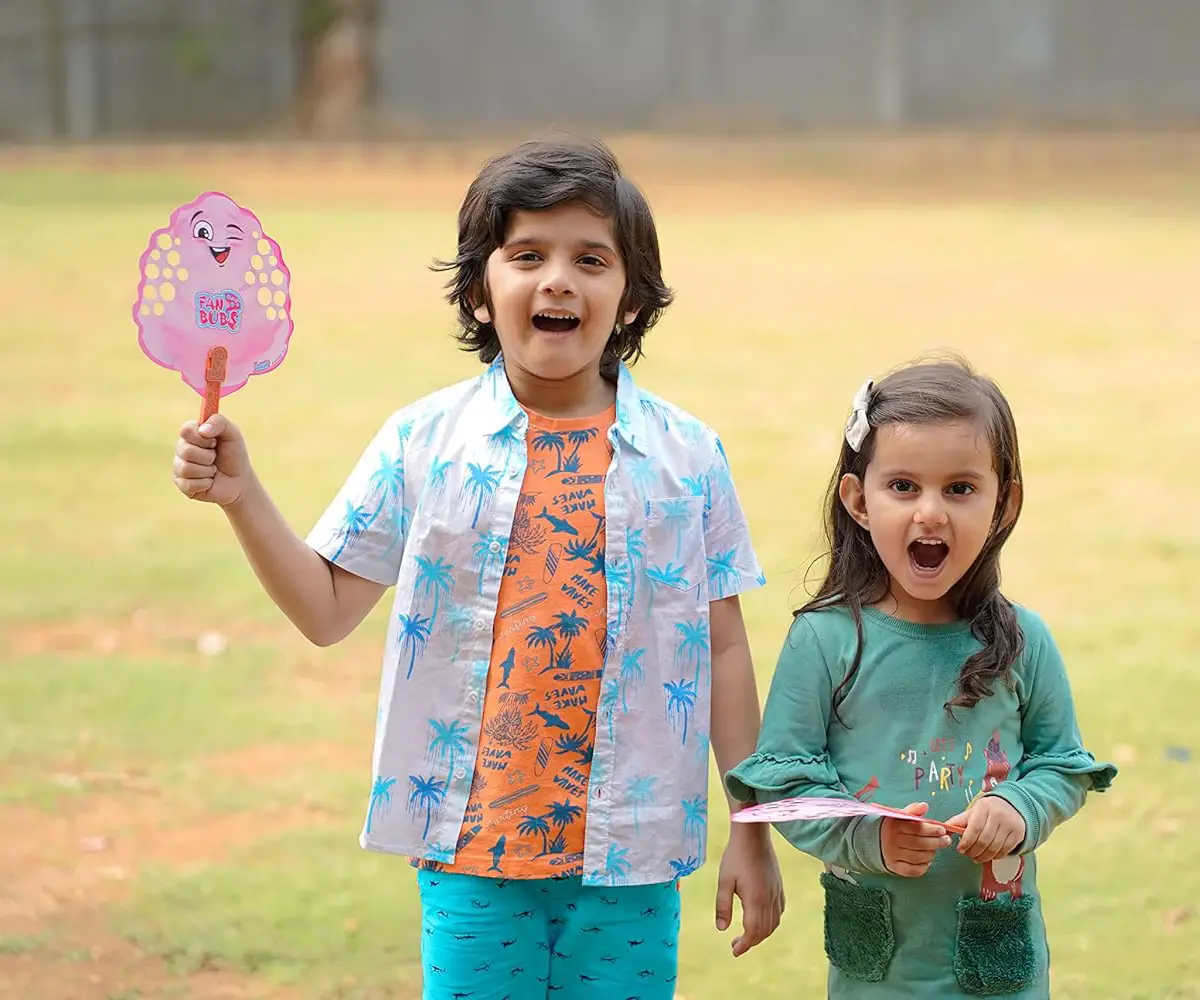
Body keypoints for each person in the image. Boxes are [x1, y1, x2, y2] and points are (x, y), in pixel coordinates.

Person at [171, 135, 783, 999]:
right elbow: (325, 609)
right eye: (526, 254)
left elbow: (721, 652)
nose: (557, 280)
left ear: (633, 299)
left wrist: (750, 828)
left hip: (632, 859)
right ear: (479, 291)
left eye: (591, 259)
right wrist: (242, 495)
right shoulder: (423, 442)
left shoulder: (689, 458)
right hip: (470, 853)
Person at [725, 358, 1116, 998]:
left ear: (1003, 502)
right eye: (903, 486)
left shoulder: (1023, 641)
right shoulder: (825, 641)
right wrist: (866, 836)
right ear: (858, 499)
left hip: (998, 966)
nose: (930, 513)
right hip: (876, 970)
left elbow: (1063, 765)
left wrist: (1017, 807)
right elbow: (787, 782)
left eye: (960, 488)